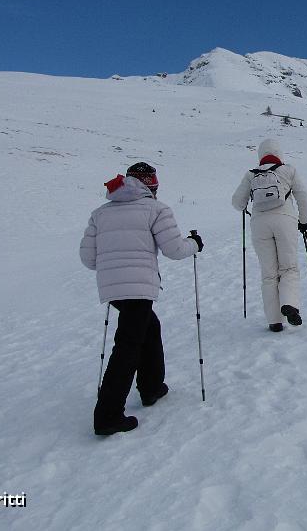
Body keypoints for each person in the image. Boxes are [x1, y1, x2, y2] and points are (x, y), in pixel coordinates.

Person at [80, 162, 203, 436]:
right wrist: (195, 244)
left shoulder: (100, 213)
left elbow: (88, 259)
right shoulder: (156, 209)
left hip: (112, 289)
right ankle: (108, 415)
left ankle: (151, 388)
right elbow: (174, 249)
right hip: (139, 286)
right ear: (152, 185)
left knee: (148, 328)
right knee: (127, 346)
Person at [232, 139, 307, 332]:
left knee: (268, 274)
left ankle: (274, 321)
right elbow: (304, 199)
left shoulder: (251, 175)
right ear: (279, 153)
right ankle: (289, 304)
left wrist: (247, 204)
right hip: (285, 221)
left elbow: (236, 203)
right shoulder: (288, 170)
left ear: (260, 155)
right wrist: (303, 221)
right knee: (289, 268)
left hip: (259, 224)